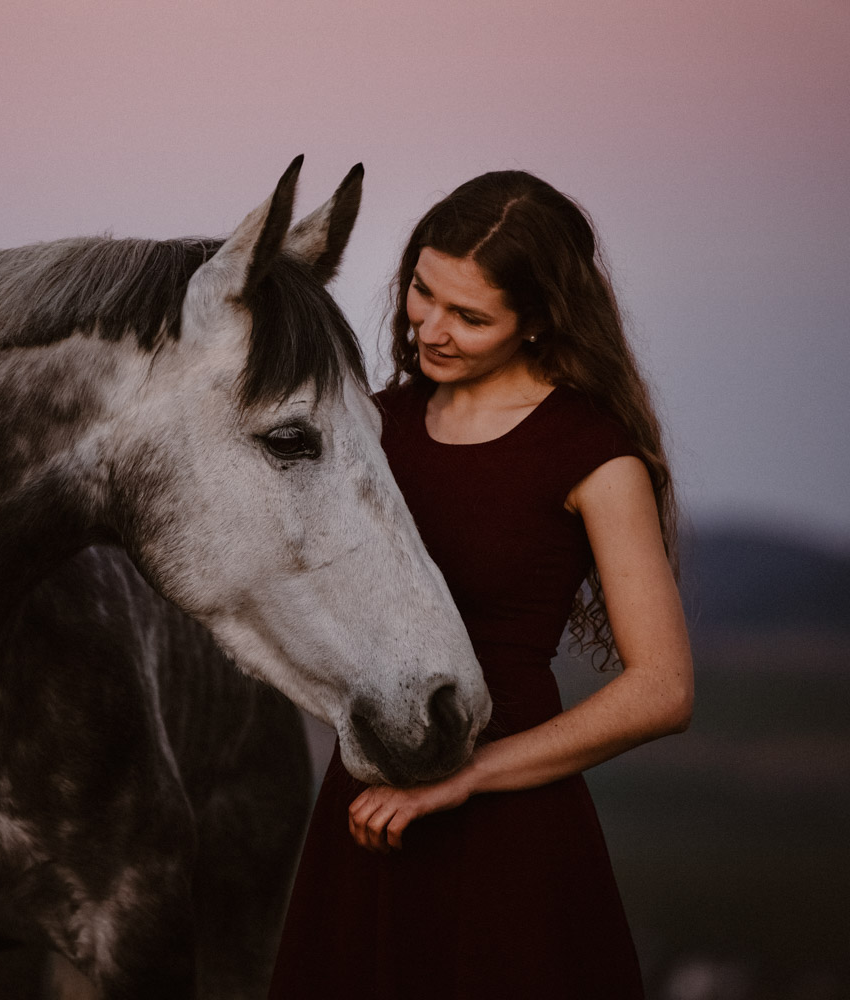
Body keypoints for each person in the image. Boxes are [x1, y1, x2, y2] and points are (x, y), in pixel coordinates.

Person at [267, 170, 694, 999]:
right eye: (423, 292)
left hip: (510, 823)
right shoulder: (366, 426)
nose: (430, 327)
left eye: (470, 316)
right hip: (367, 809)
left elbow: (664, 689)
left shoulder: (593, 455)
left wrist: (466, 775)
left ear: (537, 322)